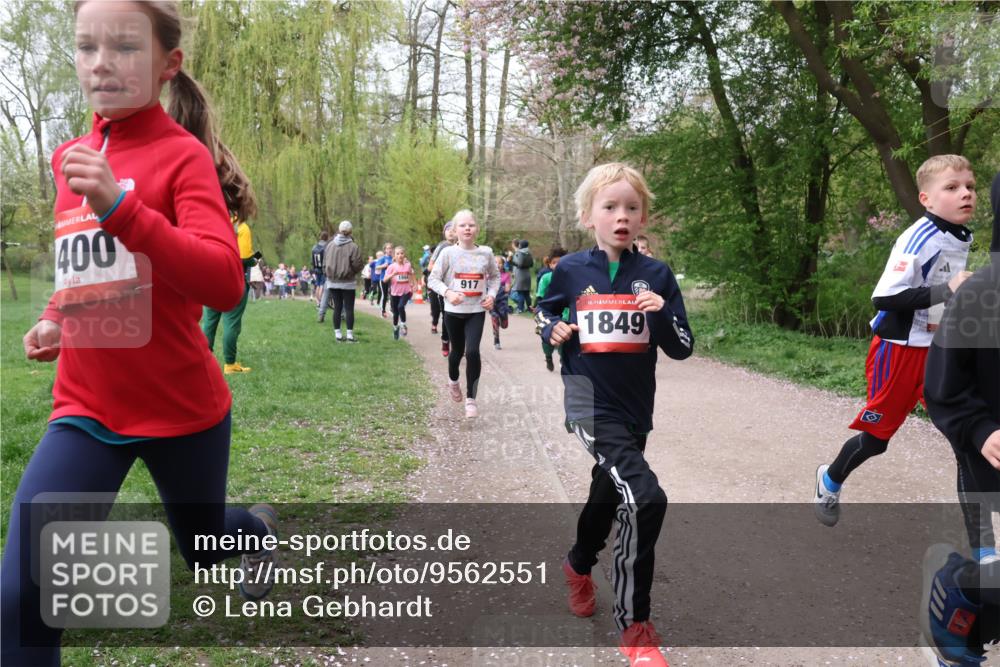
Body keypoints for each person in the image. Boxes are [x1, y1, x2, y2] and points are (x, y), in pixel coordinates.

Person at [3, 2, 278, 663]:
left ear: (166, 65)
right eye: (86, 46)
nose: (101, 61)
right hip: (87, 407)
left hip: (181, 408)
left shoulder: (182, 157)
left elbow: (222, 282)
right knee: (22, 594)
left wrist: (122, 208)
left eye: (124, 47)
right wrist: (56, 319)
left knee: (203, 547)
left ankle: (256, 530)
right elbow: (90, 272)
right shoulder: (70, 156)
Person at [535, 163, 693, 667]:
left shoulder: (657, 275)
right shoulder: (569, 271)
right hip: (586, 401)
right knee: (646, 498)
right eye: (610, 207)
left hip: (634, 409)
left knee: (607, 494)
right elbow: (544, 310)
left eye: (631, 208)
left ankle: (578, 564)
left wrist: (660, 313)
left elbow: (683, 347)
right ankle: (635, 629)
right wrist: (552, 330)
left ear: (643, 217)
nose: (621, 216)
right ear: (589, 216)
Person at [813, 155, 976, 528]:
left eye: (970, 186)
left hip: (940, 351)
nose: (965, 194)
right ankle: (830, 479)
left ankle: (983, 553)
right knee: (877, 440)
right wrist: (947, 289)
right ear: (926, 199)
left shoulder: (959, 233)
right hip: (899, 350)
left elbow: (945, 292)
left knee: (966, 442)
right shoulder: (917, 238)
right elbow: (885, 299)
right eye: (952, 188)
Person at [918, 172, 1000, 667]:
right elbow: (943, 388)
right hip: (988, 459)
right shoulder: (980, 294)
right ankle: (958, 600)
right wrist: (980, 429)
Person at [428, 210, 500, 418]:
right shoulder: (448, 253)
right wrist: (448, 293)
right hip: (453, 311)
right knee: (456, 352)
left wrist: (492, 296)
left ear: (477, 229)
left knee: (473, 352)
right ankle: (453, 381)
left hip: (476, 310)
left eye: (471, 225)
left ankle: (471, 399)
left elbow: (495, 278)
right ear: (455, 230)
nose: (467, 228)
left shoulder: (485, 253)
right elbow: (433, 279)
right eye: (462, 225)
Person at [202, 215, 258, 374]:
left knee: (209, 323)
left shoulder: (214, 223)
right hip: (233, 280)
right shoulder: (242, 227)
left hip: (212, 280)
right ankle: (229, 364)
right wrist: (256, 259)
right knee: (231, 322)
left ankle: (204, 361)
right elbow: (245, 258)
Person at [323, 220, 364, 342]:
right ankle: (350, 336)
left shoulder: (330, 245)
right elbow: (357, 264)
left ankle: (338, 335)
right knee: (349, 308)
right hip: (348, 282)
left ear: (339, 230)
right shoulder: (353, 246)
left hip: (333, 281)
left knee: (337, 308)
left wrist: (328, 273)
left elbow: (325, 263)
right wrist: (352, 272)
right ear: (351, 231)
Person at [427, 221, 457, 354]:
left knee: (462, 316)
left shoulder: (464, 246)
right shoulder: (442, 246)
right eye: (448, 229)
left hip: (460, 287)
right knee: (447, 315)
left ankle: (459, 343)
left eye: (453, 229)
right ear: (444, 233)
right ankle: (445, 340)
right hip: (444, 287)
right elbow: (430, 266)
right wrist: (445, 269)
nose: (451, 231)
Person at [535, 247, 567, 371]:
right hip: (549, 313)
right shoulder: (546, 278)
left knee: (563, 338)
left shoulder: (571, 277)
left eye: (561, 262)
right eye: (554, 263)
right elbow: (540, 296)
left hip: (565, 313)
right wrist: (536, 307)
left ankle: (562, 359)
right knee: (547, 340)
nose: (557, 265)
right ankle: (548, 357)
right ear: (549, 264)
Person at [383, 245, 417, 340]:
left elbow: (411, 274)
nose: (400, 255)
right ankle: (395, 328)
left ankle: (403, 324)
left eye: (401, 253)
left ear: (404, 254)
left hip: (406, 291)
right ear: (394, 256)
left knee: (401, 306)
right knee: (395, 313)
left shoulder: (408, 265)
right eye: (397, 254)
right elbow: (384, 280)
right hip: (394, 293)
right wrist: (392, 274)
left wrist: (414, 284)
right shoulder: (391, 267)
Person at [490, 254, 511, 350]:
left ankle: (503, 320)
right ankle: (496, 340)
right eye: (495, 262)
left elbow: (507, 288)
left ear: (503, 264)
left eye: (499, 263)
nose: (497, 264)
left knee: (504, 325)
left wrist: (506, 288)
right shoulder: (488, 275)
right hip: (492, 301)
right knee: (494, 318)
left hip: (502, 301)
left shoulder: (506, 275)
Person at [511, 239, 534, 313]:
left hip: (520, 275)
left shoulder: (520, 253)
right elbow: (531, 264)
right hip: (527, 273)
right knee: (526, 293)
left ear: (521, 245)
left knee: (520, 292)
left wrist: (512, 261)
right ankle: (530, 308)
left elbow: (519, 264)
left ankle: (520, 308)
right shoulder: (529, 253)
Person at [375, 241, 394, 318]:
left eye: (391, 248)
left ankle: (392, 309)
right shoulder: (383, 258)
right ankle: (383, 311)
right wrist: (383, 265)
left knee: (393, 294)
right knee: (385, 295)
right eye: (388, 248)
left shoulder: (393, 258)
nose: (389, 250)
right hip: (383, 279)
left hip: (392, 279)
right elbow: (377, 267)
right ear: (385, 250)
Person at [311, 231, 329, 307]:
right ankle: (321, 302)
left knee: (317, 285)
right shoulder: (326, 247)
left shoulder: (314, 247)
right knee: (321, 285)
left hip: (316, 269)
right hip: (323, 269)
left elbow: (312, 260)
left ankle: (318, 302)